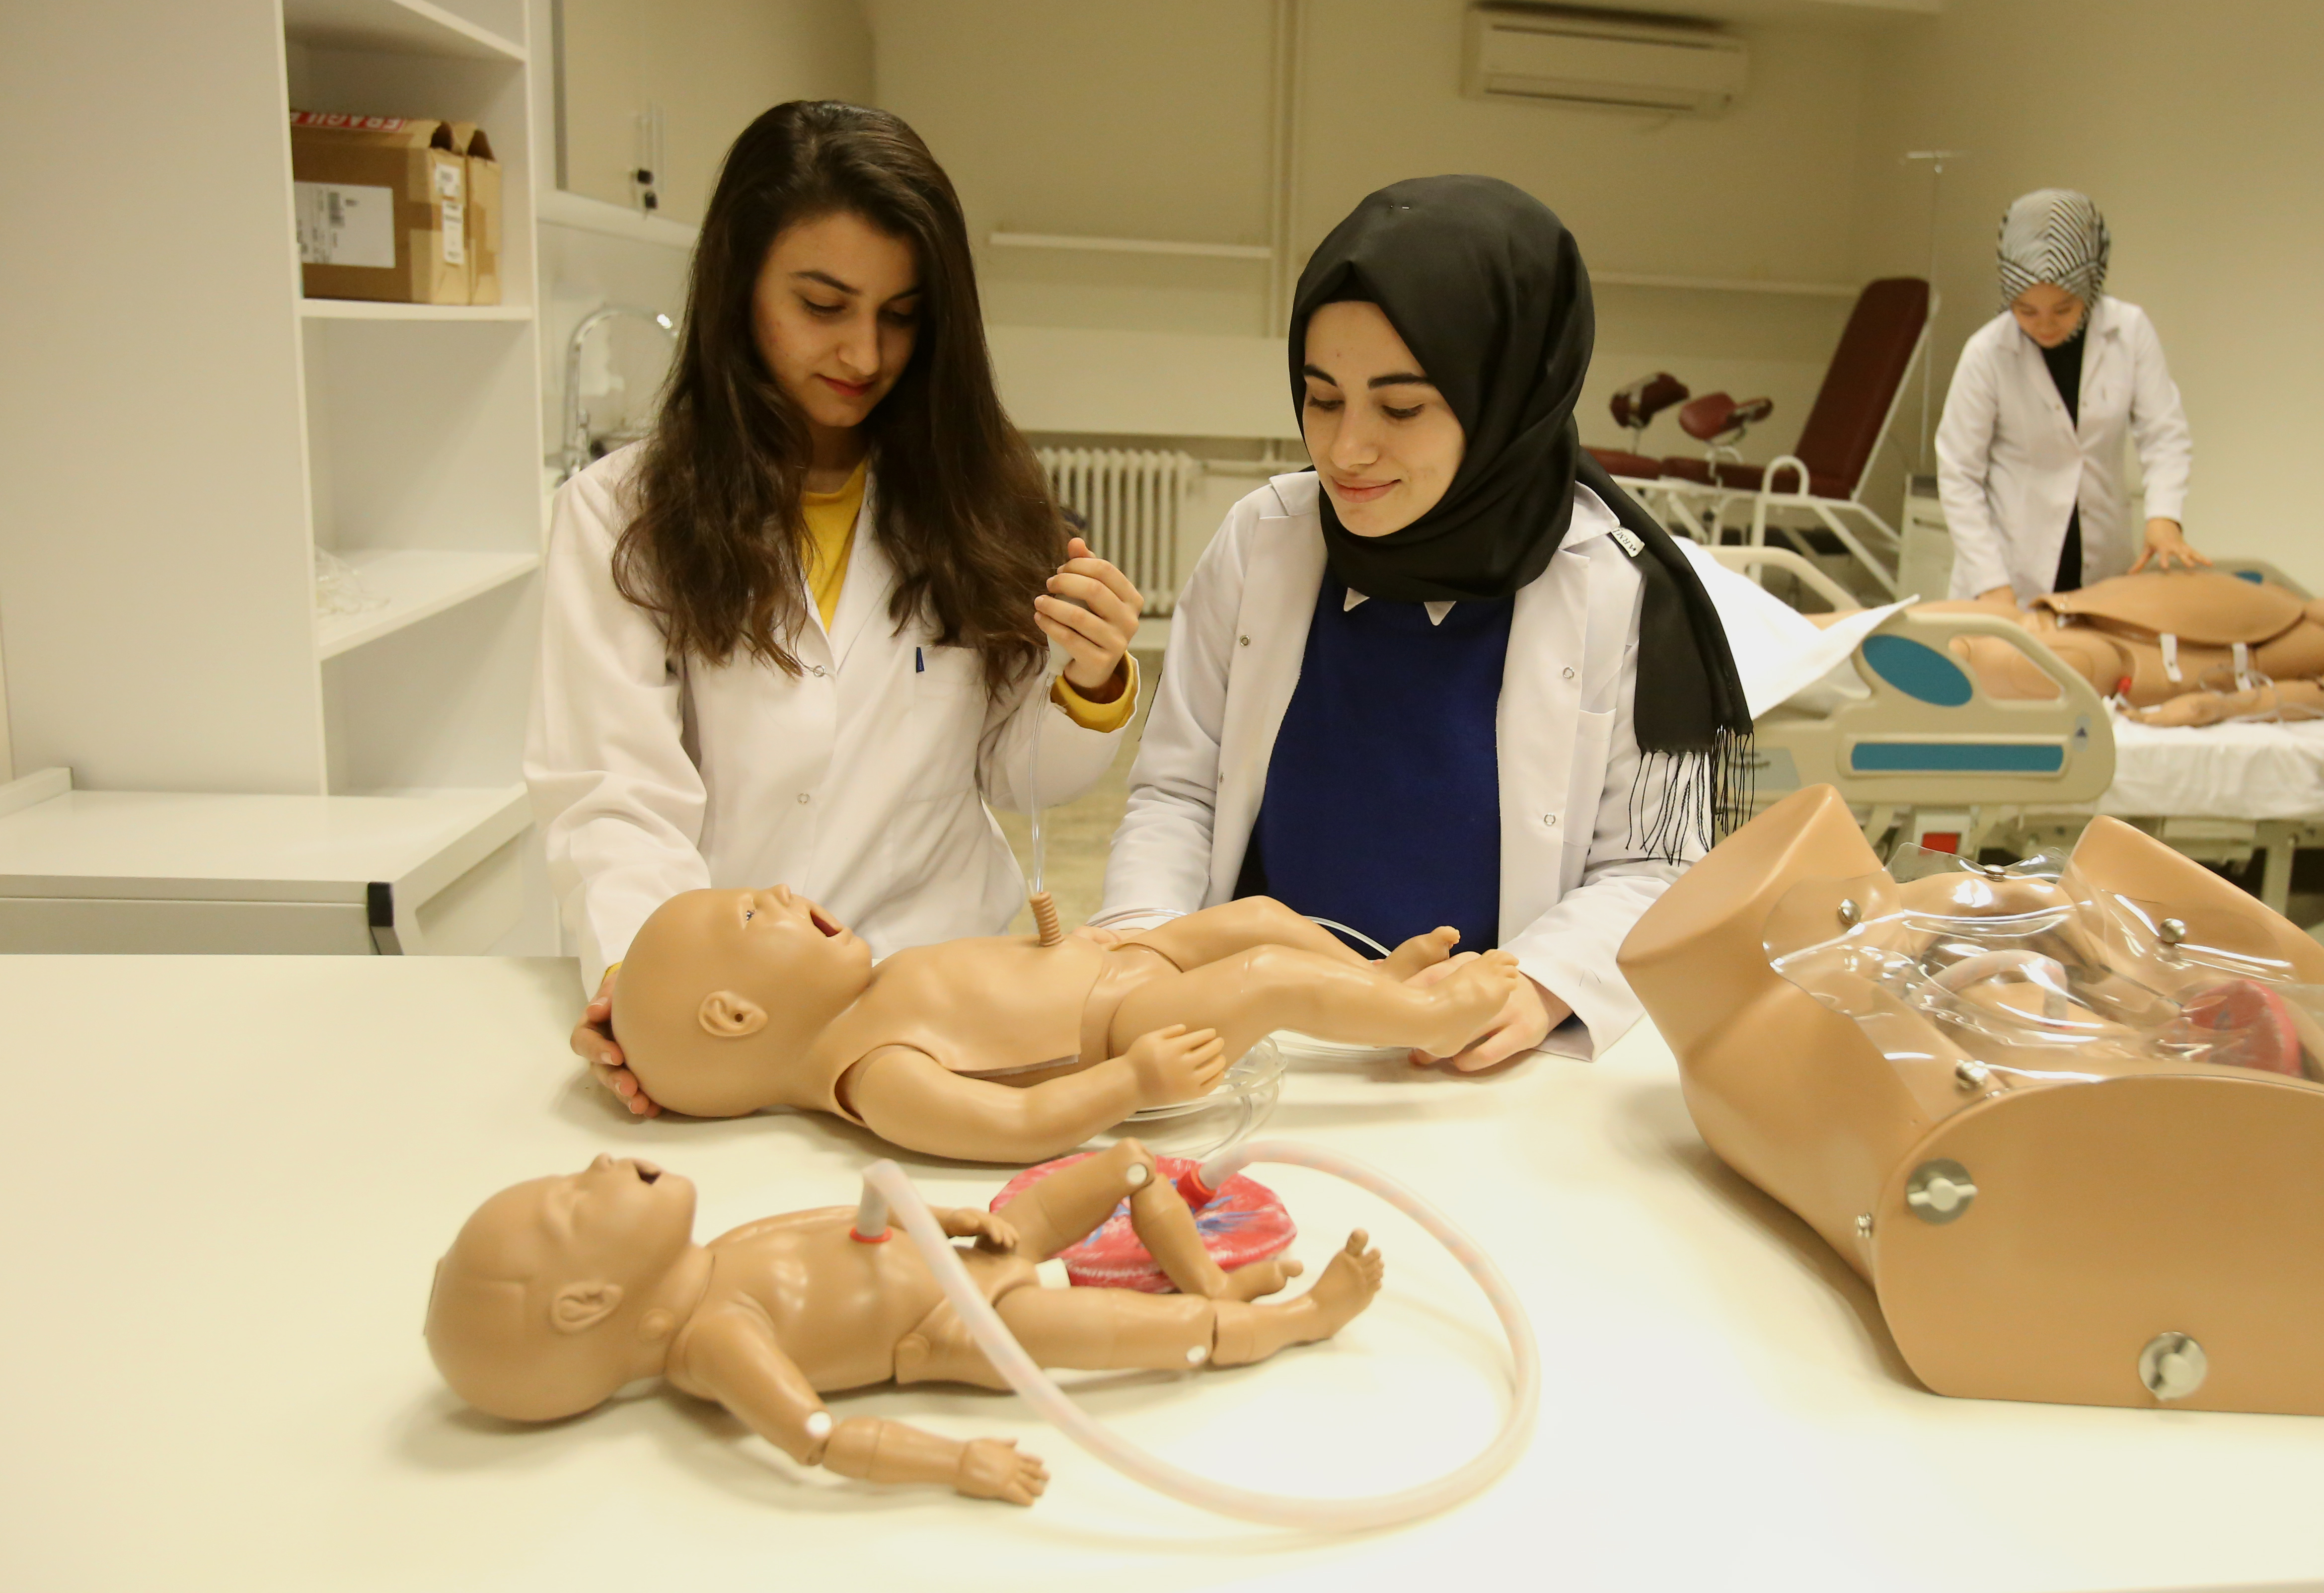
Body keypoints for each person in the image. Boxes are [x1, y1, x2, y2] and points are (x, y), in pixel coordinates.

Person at [528, 102, 1144, 1117]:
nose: (864, 353)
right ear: (738, 287)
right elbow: (614, 795)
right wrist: (649, 993)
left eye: (901, 315)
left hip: (944, 994)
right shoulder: (620, 516)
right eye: (823, 305)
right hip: (738, 1020)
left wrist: (1092, 679)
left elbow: (1015, 774)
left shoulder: (980, 501)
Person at [1094, 176, 1753, 1070]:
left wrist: (1539, 983)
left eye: (1401, 408)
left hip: (1472, 1059)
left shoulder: (1617, 589)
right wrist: (1145, 946)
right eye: (1322, 398)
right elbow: (1180, 793)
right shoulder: (1263, 542)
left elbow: (1655, 865)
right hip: (1251, 1039)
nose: (1345, 449)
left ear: (1506, 399)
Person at [425, 1142, 1382, 1504]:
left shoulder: (714, 1251)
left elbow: (848, 1220)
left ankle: (1215, 1288)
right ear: (586, 1304)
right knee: (1163, 1339)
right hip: (966, 1323)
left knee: (1130, 1164)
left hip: (971, 1248)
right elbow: (819, 1437)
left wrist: (954, 1215)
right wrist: (959, 1463)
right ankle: (1297, 1319)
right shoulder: (715, 1341)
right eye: (573, 1201)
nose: (598, 1161)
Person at [603, 882, 1519, 1163]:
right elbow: (1015, 1124)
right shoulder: (875, 1073)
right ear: (736, 1013)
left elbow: (986, 987)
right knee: (1268, 979)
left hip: (1120, 963)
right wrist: (1132, 1080)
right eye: (750, 914)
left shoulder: (866, 997)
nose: (775, 891)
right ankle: (1425, 1017)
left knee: (1260, 915)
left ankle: (1371, 982)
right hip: (1128, 1024)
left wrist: (1058, 944)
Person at [1857, 553, 2324, 726]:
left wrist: (2211, 707)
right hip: (2066, 616)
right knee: (1885, 622)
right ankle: (1795, 647)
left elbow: (2322, 698)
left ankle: (1823, 691)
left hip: (2123, 661)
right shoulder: (2318, 604)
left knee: (1948, 654)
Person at [1936, 190, 2201, 607]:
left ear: (2090, 288)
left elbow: (2164, 436)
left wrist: (2164, 517)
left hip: (2101, 565)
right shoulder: (1987, 353)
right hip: (2009, 570)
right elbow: (1958, 474)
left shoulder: (2129, 332)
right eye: (2026, 310)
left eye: (2063, 309)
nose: (2045, 325)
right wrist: (1990, 583)